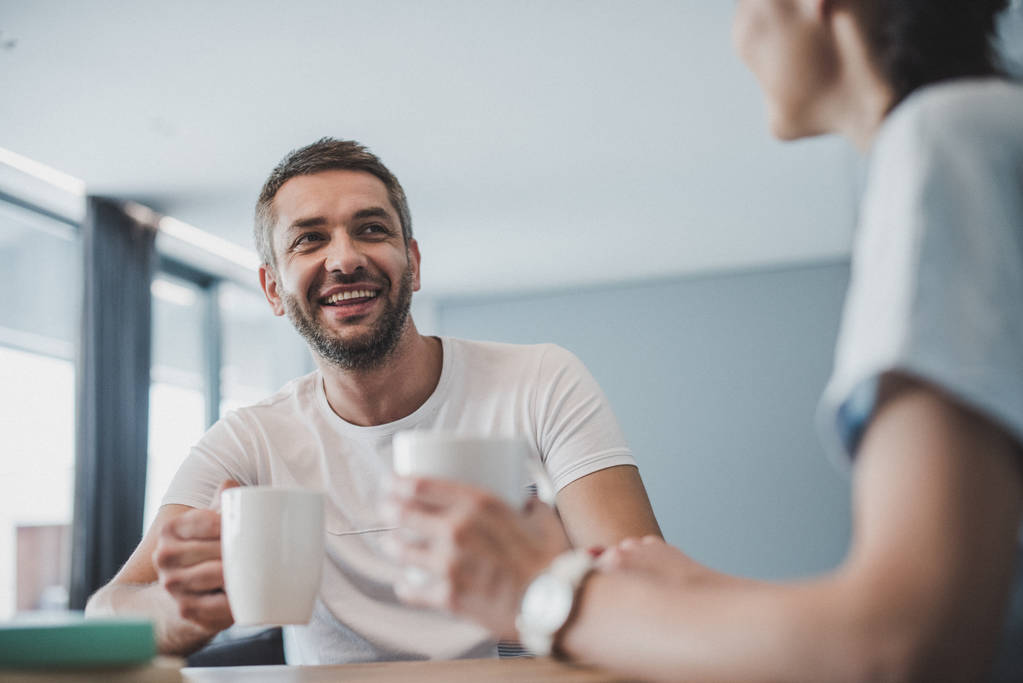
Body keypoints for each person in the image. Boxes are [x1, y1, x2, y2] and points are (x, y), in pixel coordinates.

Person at [385, 1, 1023, 680]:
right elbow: (963, 608)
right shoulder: (986, 128)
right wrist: (698, 591)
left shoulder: (943, 135)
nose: (738, 36)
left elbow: (902, 644)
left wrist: (543, 595)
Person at [84, 138, 662, 664]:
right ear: (273, 290)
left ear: (412, 264)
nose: (344, 259)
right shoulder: (249, 439)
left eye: (371, 229)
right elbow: (110, 609)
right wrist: (182, 609)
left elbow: (647, 592)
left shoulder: (540, 380)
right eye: (310, 238)